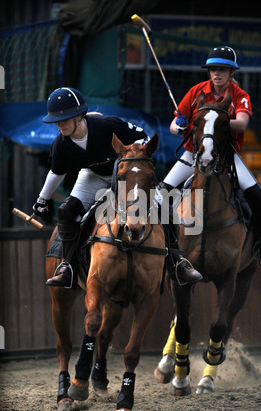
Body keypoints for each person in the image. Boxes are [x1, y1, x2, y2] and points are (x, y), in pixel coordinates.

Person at [33, 87, 202, 288]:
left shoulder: (107, 125)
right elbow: (56, 174)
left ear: (79, 116)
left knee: (163, 207)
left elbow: (143, 138)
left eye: (65, 118)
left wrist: (130, 159)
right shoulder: (60, 143)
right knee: (66, 211)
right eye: (56, 121)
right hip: (93, 176)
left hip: (126, 176)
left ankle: (177, 261)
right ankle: (67, 267)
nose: (60, 124)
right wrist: (42, 200)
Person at [159, 46, 261, 271]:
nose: (217, 74)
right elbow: (174, 124)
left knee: (260, 199)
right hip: (193, 155)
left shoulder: (240, 96)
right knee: (159, 195)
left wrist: (213, 121)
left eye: (222, 69)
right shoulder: (196, 92)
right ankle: (165, 245)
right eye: (213, 69)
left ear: (232, 73)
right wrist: (179, 126)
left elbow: (241, 124)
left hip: (226, 157)